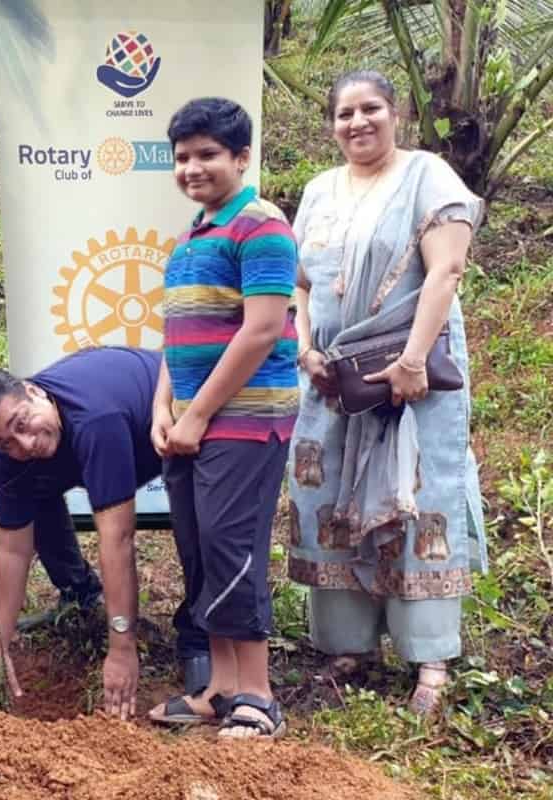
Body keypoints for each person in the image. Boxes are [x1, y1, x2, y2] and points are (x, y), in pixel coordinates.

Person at [287, 70, 486, 716]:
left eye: (370, 108)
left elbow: (446, 270)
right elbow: (301, 283)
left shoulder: (427, 177)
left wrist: (411, 358)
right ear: (332, 124)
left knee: (417, 502)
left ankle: (429, 656)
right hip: (331, 381)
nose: (357, 123)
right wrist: (305, 345)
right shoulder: (319, 190)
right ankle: (347, 644)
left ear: (394, 113)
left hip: (411, 379)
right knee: (330, 498)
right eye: (344, 114)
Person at [147, 97, 299, 739]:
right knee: (201, 550)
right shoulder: (191, 236)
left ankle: (258, 698)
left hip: (244, 420)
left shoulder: (261, 226)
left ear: (242, 158)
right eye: (182, 157)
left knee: (233, 549)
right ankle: (220, 688)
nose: (192, 167)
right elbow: (176, 337)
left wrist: (199, 414)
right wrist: (164, 407)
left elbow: (262, 330)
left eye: (208, 154)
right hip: (190, 424)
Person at [0, 348, 213, 721]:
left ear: (35, 392)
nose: (24, 444)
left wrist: (122, 647)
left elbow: (117, 539)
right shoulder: (11, 458)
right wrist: (0, 647)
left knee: (198, 530)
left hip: (173, 422)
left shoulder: (94, 419)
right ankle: (80, 593)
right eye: (5, 442)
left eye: (22, 423)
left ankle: (199, 638)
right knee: (30, 489)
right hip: (110, 431)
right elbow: (12, 549)